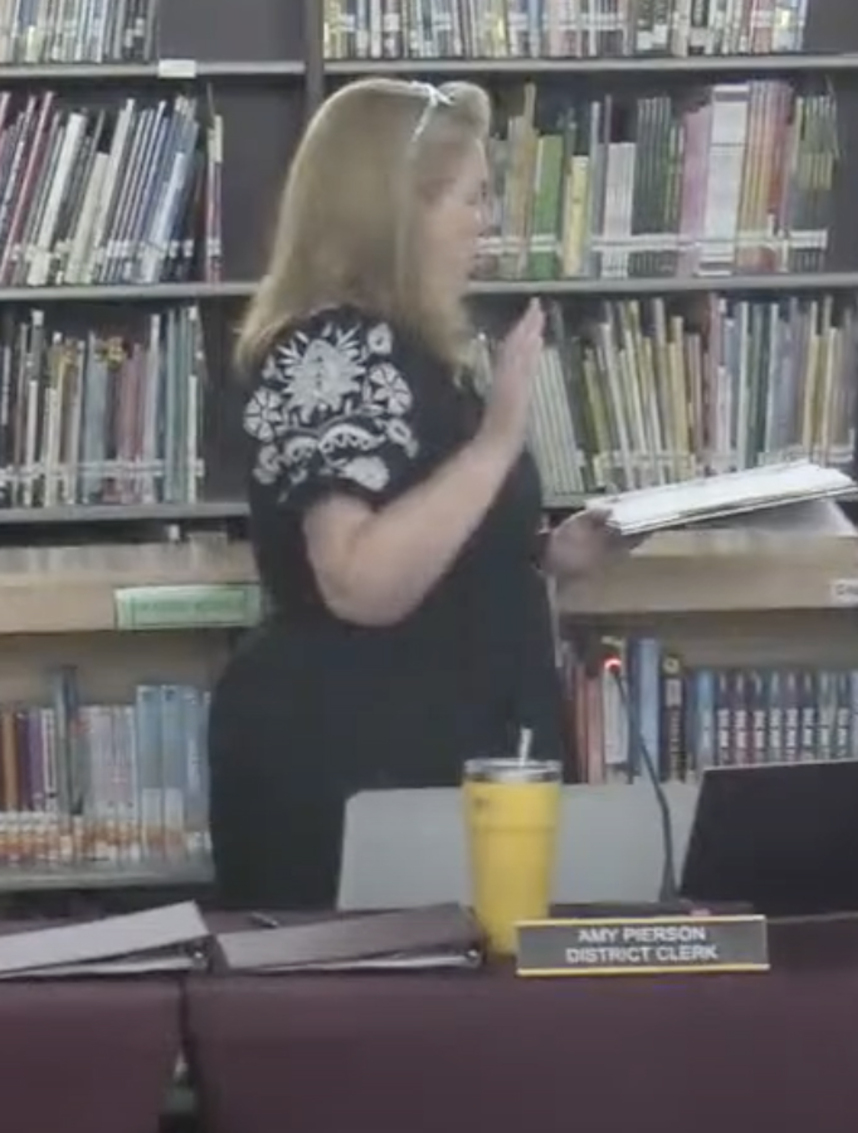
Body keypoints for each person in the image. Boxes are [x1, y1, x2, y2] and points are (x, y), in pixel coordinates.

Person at [208, 78, 629, 909]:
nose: (486, 223)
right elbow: (358, 578)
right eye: (470, 199)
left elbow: (440, 545)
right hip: (361, 763)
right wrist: (500, 438)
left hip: (453, 756)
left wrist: (547, 557)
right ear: (400, 213)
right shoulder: (330, 348)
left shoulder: (418, 353)